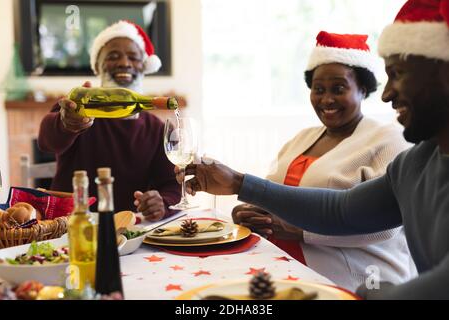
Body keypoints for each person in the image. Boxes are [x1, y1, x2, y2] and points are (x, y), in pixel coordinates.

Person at [176, 0, 449, 299]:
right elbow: (342, 211)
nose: (387, 94)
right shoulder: (417, 163)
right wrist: (239, 183)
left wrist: (375, 294)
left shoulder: (392, 144)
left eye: (397, 73)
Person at [231, 31, 416, 291]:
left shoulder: (388, 139)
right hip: (284, 271)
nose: (326, 99)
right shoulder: (300, 139)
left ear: (363, 89)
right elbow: (273, 195)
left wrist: (301, 232)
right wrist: (246, 213)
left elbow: (386, 226)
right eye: (318, 90)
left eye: (338, 89)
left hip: (361, 280)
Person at [38, 20, 181, 221]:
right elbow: (46, 141)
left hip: (130, 231)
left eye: (133, 57)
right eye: (113, 56)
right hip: (69, 227)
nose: (124, 63)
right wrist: (66, 124)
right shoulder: (77, 110)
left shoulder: (158, 129)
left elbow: (172, 185)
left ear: (144, 66)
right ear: (98, 65)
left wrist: (162, 203)